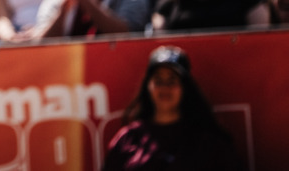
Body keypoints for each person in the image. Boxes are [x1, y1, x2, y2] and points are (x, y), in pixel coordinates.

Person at [102, 45, 244, 171]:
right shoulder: (128, 140)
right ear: (148, 86)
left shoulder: (209, 143)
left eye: (172, 81)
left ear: (185, 87)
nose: (165, 88)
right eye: (158, 81)